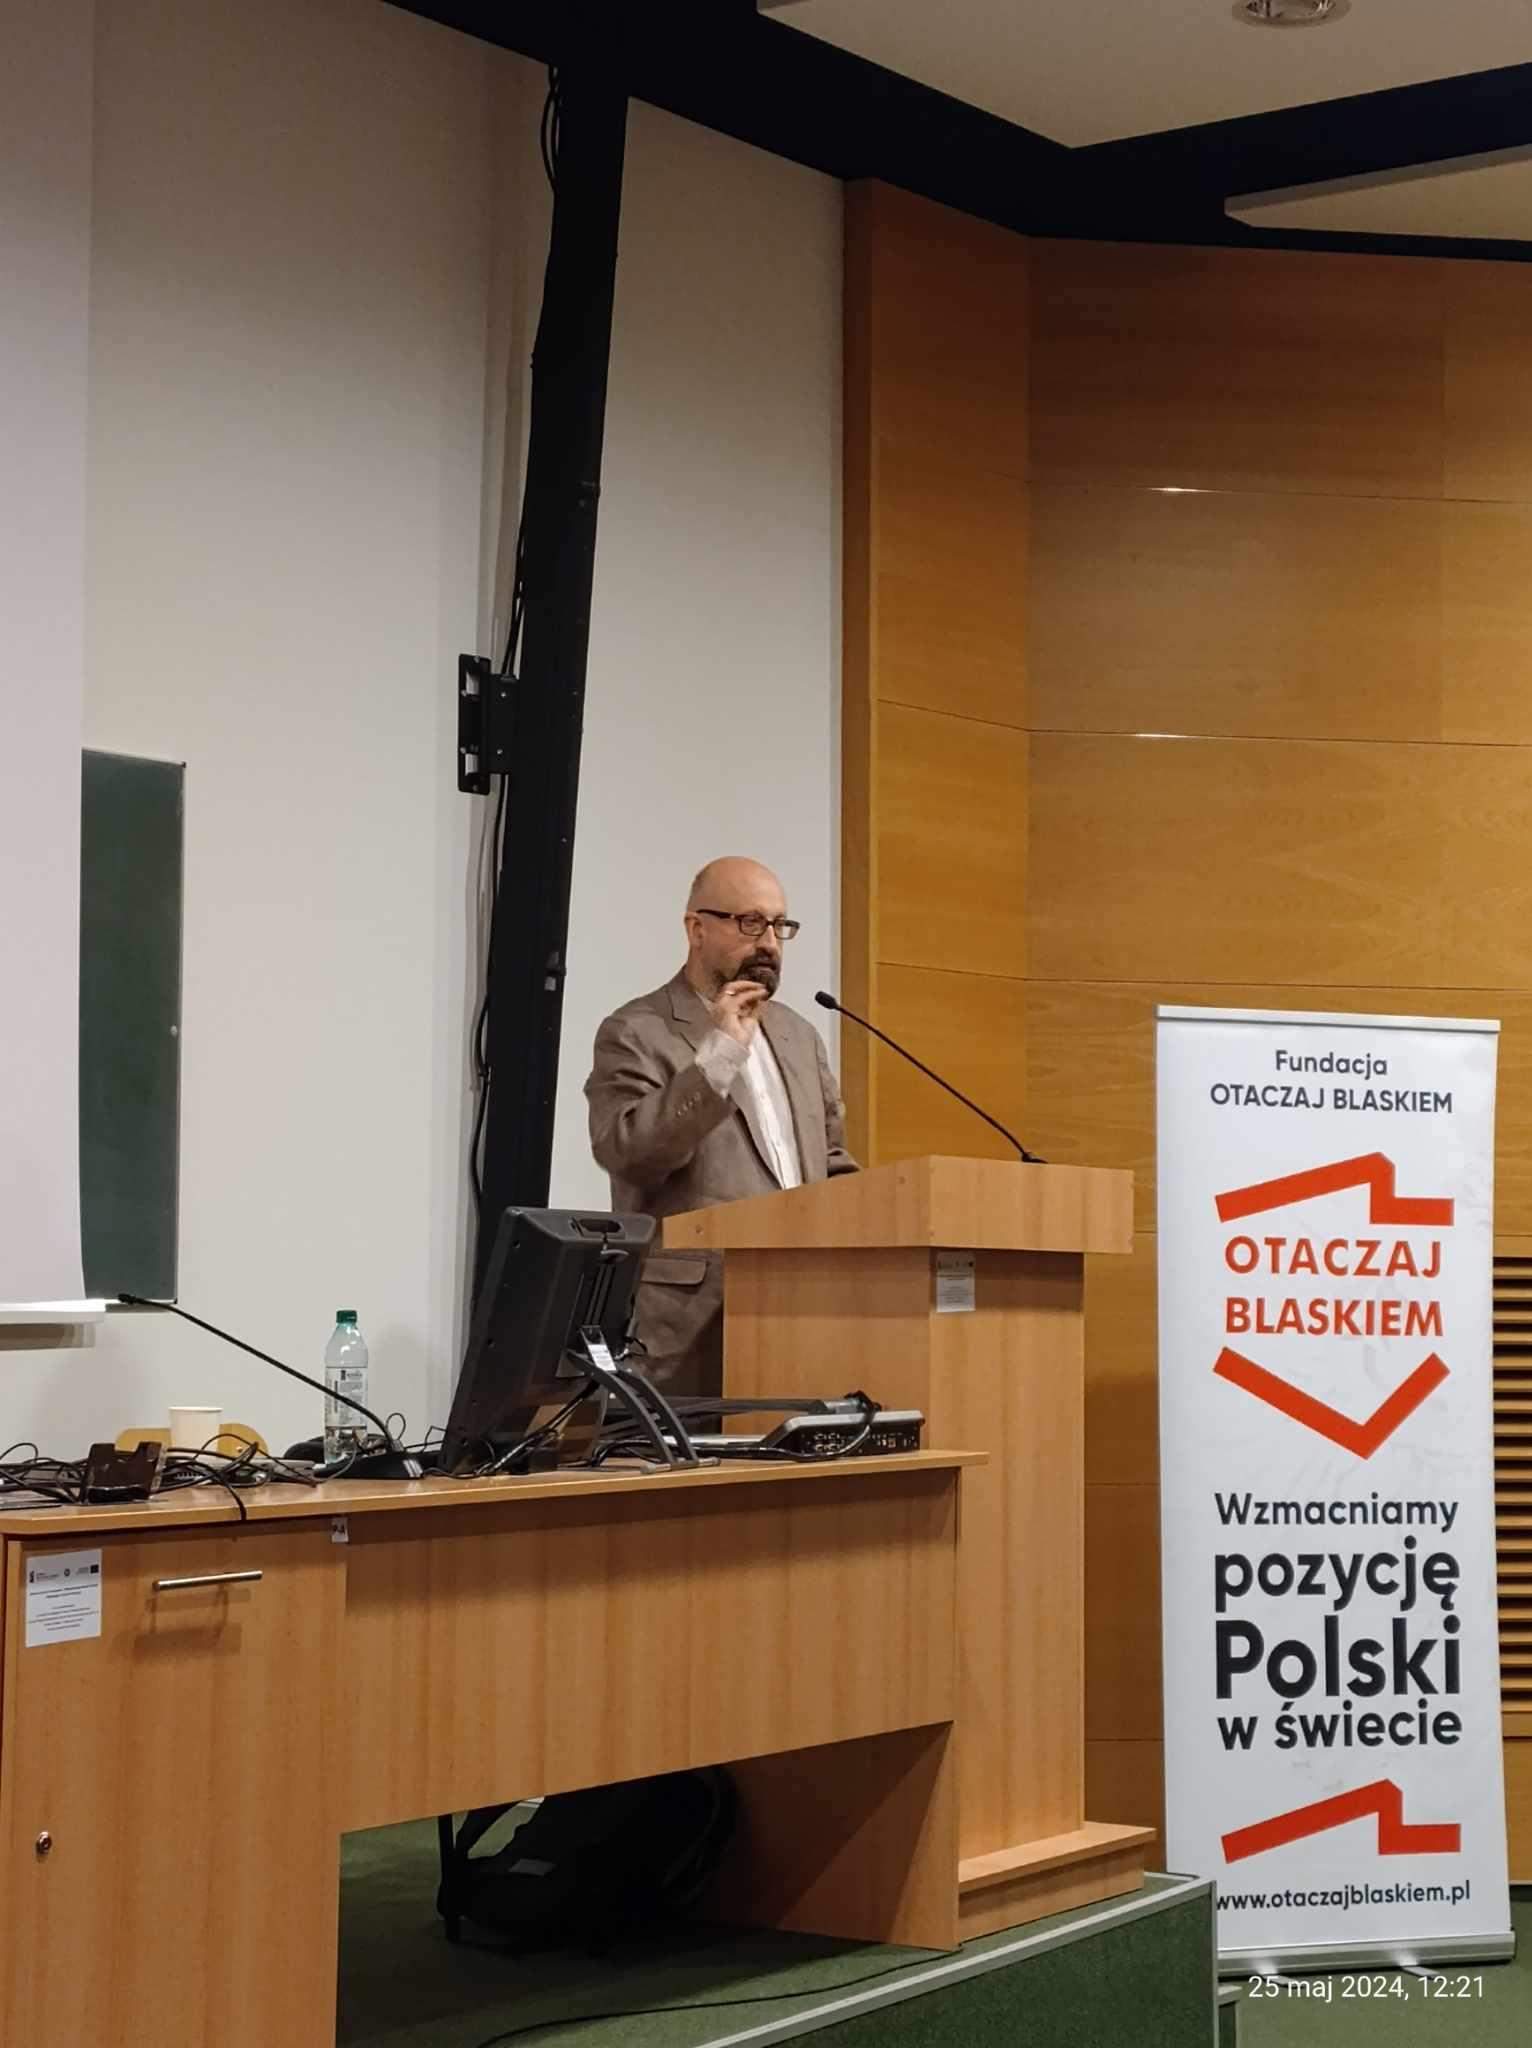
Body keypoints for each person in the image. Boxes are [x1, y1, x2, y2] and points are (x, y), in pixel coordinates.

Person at [585, 856, 857, 1394]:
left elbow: (831, 1166)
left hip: (801, 1312)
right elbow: (629, 1152)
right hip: (687, 1327)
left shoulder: (800, 1036)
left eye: (780, 926)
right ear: (696, 929)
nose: (770, 943)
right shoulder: (638, 1030)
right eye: (750, 923)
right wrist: (720, 1055)